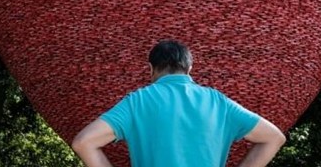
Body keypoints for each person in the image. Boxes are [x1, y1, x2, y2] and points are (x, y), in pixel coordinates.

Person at [71, 39, 285, 167]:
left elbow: (84, 142)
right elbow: (274, 137)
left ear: (151, 69)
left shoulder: (138, 101)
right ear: (189, 68)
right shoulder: (219, 102)